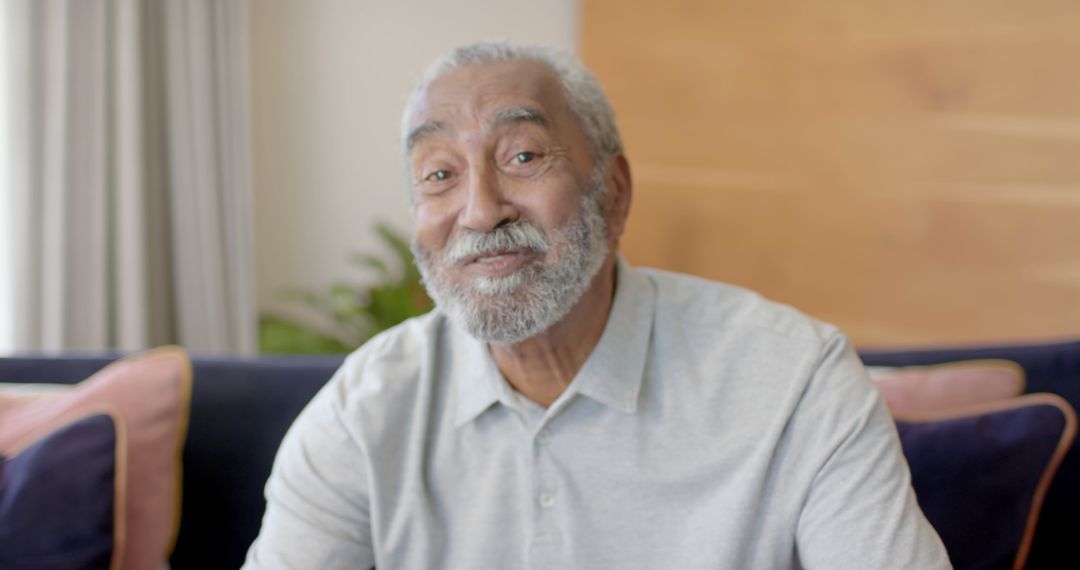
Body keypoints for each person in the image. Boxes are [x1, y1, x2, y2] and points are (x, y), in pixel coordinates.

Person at [243, 41, 951, 569]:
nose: (481, 211)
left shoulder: (794, 378)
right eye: (439, 174)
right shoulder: (364, 412)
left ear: (611, 195)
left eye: (522, 157)